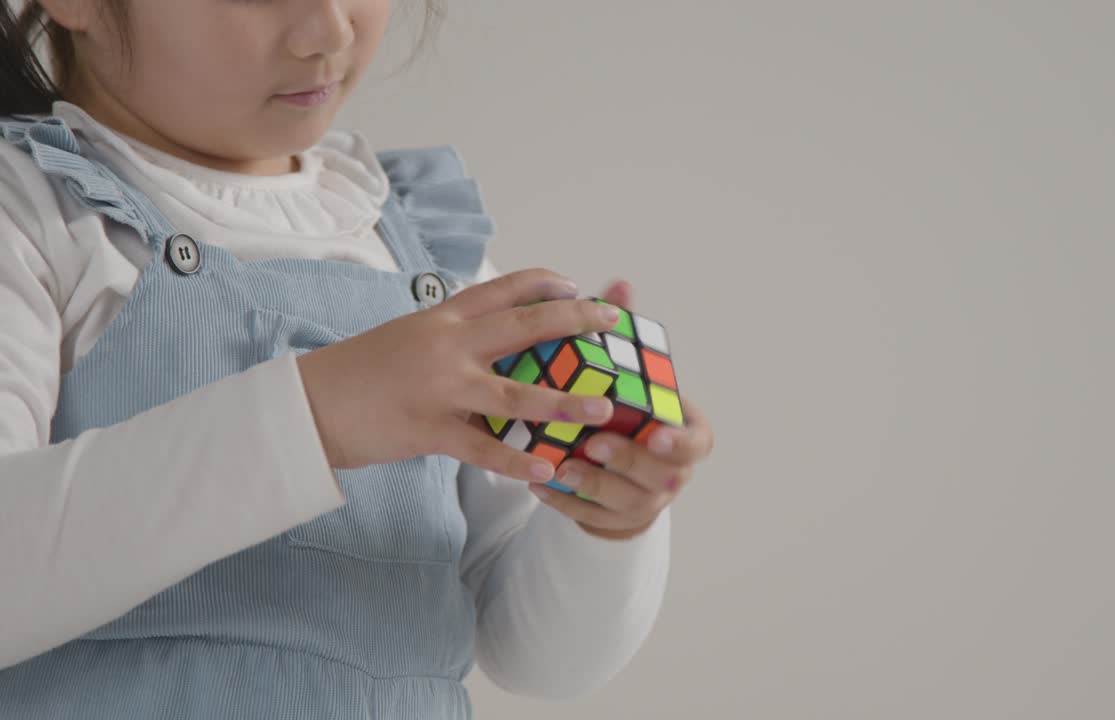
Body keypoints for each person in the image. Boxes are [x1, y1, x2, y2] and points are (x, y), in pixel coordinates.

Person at [0, 0, 715, 717]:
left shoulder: (430, 253)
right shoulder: (28, 212)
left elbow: (533, 655)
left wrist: (603, 521)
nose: (330, 31)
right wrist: (318, 417)